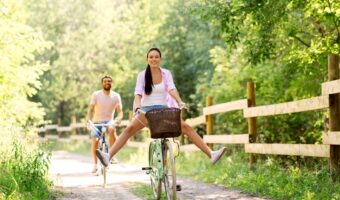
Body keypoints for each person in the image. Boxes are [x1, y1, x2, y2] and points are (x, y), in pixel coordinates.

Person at [96, 48, 226, 167]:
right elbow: (138, 94)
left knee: (186, 127)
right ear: (147, 59)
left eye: (156, 57)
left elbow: (172, 89)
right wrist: (138, 107)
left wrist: (180, 101)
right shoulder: (142, 75)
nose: (154, 59)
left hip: (163, 110)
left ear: (160, 59)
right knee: (129, 129)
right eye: (151, 57)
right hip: (146, 111)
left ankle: (211, 154)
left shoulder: (166, 73)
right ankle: (108, 156)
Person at [87, 74, 123, 173]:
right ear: (102, 83)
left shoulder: (116, 96)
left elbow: (120, 112)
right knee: (95, 141)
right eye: (105, 81)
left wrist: (118, 119)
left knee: (112, 129)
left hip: (109, 122)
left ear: (111, 83)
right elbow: (90, 110)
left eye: (109, 81)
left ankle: (112, 155)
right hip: (96, 122)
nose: (107, 82)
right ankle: (94, 165)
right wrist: (89, 120)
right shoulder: (96, 95)